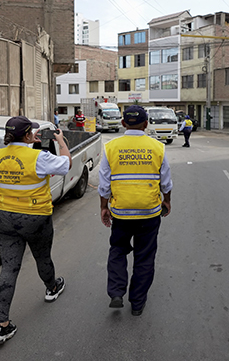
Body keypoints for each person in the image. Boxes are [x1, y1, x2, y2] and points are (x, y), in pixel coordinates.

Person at [0, 116, 72, 344]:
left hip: (5, 218)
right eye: (31, 133)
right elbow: (66, 164)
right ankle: (52, 288)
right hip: (35, 218)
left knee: (9, 268)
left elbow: (12, 165)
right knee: (42, 256)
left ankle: (2, 325)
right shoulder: (39, 157)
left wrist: (26, 143)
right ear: (27, 136)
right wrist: (62, 142)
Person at [98, 105, 173, 316]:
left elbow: (104, 184)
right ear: (146, 124)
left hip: (121, 213)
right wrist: (167, 201)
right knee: (145, 257)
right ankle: (137, 304)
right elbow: (166, 182)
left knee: (118, 250)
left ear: (123, 124)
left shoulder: (111, 147)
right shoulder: (157, 147)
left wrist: (104, 207)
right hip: (149, 212)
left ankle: (116, 292)